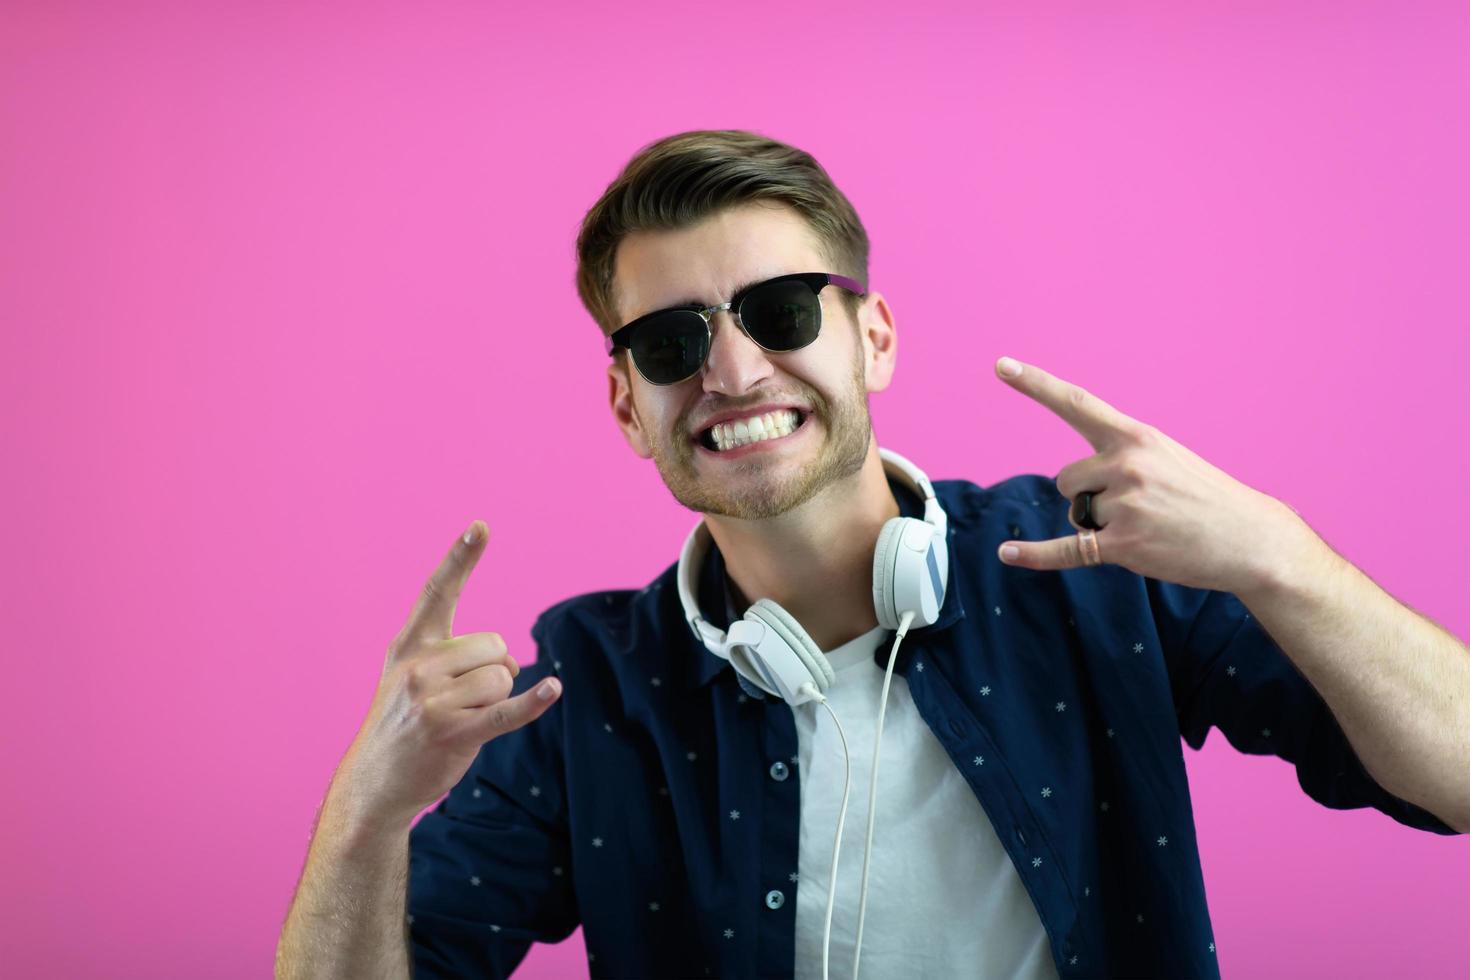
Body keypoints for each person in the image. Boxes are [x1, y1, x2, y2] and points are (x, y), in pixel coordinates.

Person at [276, 130, 1461, 980]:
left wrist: (1283, 559)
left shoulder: (1094, 564)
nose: (734, 372)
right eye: (672, 339)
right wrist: (368, 813)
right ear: (628, 402)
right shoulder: (584, 686)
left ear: (874, 337)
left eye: (782, 309)